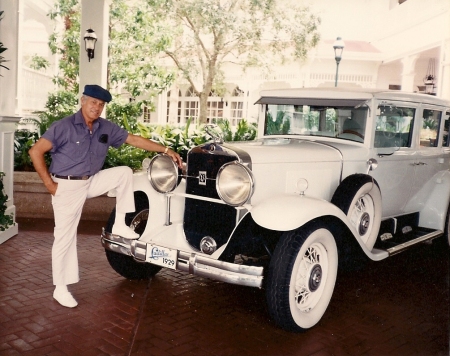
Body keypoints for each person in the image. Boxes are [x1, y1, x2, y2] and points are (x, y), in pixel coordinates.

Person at [29, 84, 182, 308]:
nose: (97, 107)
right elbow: (35, 151)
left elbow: (134, 140)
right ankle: (60, 288)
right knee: (65, 237)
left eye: (101, 105)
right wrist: (50, 185)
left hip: (90, 181)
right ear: (83, 101)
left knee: (124, 173)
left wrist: (166, 150)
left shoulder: (104, 127)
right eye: (93, 102)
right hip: (67, 186)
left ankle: (120, 224)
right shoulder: (64, 127)